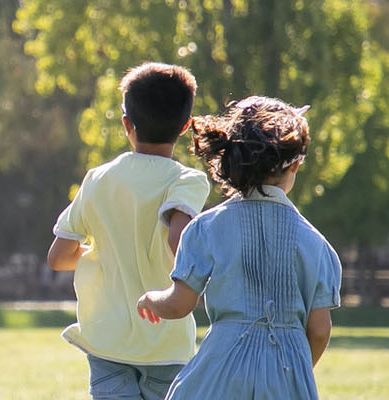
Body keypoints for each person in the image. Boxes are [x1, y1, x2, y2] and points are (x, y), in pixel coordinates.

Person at [136, 96, 340, 399]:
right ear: (296, 164)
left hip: (220, 370)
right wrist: (294, 369)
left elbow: (179, 304)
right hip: (285, 375)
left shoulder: (205, 228)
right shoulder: (316, 244)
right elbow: (320, 329)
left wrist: (151, 299)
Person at [43, 63, 211, 400]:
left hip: (107, 344)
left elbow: (59, 257)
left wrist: (104, 253)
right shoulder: (188, 181)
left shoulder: (97, 179)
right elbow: (178, 240)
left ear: (126, 124)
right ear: (185, 127)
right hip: (167, 343)